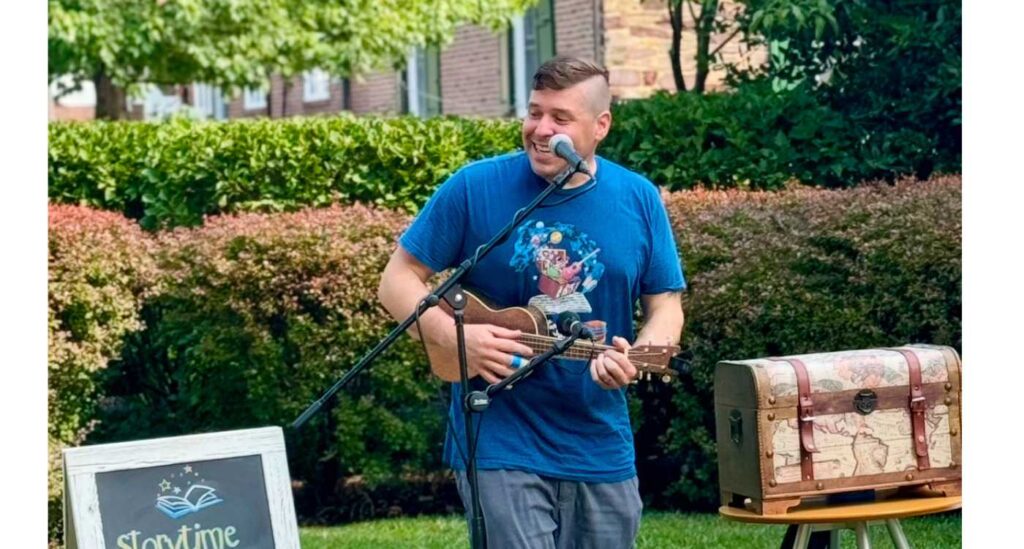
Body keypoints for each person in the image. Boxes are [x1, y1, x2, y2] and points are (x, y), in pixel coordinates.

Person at [377, 56, 686, 548]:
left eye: (560, 118)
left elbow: (666, 305)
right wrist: (451, 335)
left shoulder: (639, 199)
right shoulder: (475, 187)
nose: (540, 130)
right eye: (534, 112)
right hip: (500, 436)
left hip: (599, 443)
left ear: (600, 125)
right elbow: (397, 280)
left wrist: (641, 351)